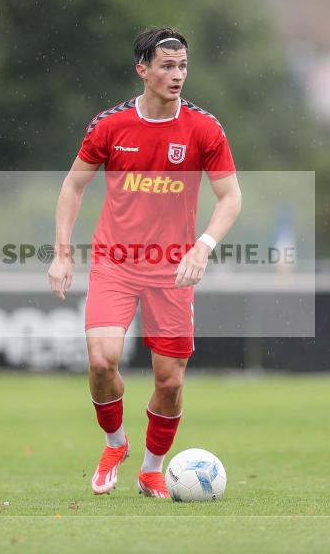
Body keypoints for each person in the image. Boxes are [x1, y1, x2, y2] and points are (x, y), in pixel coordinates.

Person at [48, 27, 242, 498]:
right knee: (101, 361)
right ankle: (115, 444)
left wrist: (202, 247)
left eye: (183, 66)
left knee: (169, 381)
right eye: (167, 66)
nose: (177, 76)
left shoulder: (204, 128)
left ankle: (153, 469)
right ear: (143, 70)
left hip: (172, 271)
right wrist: (61, 252)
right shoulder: (110, 125)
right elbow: (73, 186)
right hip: (115, 262)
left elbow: (230, 196)